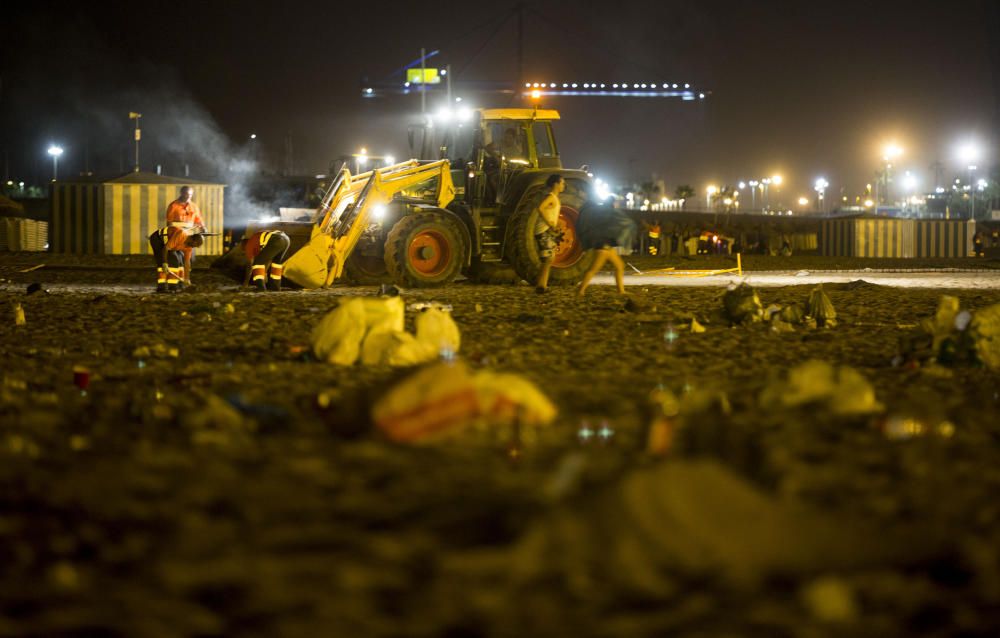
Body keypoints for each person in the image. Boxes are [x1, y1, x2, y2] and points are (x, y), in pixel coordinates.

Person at [576, 197, 627, 298]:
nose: (617, 205)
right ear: (612, 203)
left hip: (606, 246)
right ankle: (581, 290)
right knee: (593, 269)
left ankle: (621, 291)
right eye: (616, 203)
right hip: (603, 247)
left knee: (620, 266)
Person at [148, 226, 203, 293]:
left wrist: (187, 278)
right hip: (158, 239)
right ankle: (162, 288)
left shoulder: (189, 247)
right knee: (168, 261)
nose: (195, 247)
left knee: (180, 261)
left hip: (169, 244)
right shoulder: (181, 235)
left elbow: (187, 262)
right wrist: (164, 263)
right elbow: (166, 248)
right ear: (193, 240)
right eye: (196, 245)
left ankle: (179, 285)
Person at [534, 174, 565, 293]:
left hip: (546, 230)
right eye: (562, 183)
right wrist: (550, 223)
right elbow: (541, 208)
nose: (563, 185)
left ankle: (542, 285)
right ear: (556, 184)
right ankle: (541, 286)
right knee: (547, 259)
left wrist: (554, 226)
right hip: (543, 230)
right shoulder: (551, 197)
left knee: (549, 258)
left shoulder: (555, 198)